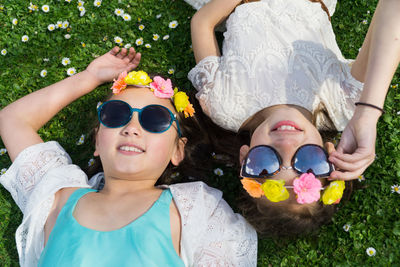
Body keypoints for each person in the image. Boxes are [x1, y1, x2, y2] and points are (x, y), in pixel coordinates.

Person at [0, 47, 257, 266]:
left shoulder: (196, 210)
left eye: (155, 120)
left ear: (177, 150)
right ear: (97, 141)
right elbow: (13, 120)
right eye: (116, 114)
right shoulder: (57, 197)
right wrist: (90, 77)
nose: (132, 127)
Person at [186, 0, 400, 236]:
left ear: (245, 157)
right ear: (330, 153)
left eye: (266, 164)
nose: (286, 144)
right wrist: (368, 114)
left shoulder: (222, 105)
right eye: (309, 162)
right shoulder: (343, 104)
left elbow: (202, 23)